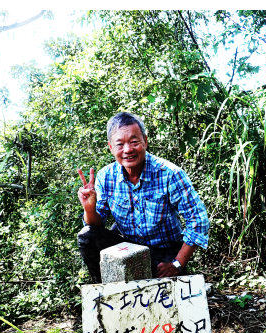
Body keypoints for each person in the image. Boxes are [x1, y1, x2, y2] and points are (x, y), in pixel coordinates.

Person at [76, 111, 209, 283]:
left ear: (145, 141)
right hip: (127, 248)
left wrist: (177, 263)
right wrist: (89, 209)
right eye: (120, 144)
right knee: (87, 235)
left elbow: (198, 221)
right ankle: (105, 289)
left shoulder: (169, 174)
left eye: (134, 142)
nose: (128, 150)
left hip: (164, 252)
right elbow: (96, 225)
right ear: (111, 147)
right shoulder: (106, 176)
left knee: (162, 287)